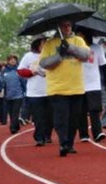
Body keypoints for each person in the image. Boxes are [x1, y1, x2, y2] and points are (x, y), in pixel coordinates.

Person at [39, 19, 90, 157]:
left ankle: (70, 143)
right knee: (61, 118)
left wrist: (70, 48)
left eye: (68, 25)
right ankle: (63, 142)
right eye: (63, 25)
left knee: (74, 119)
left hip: (76, 87)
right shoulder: (50, 44)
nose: (67, 27)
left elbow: (86, 56)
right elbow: (44, 63)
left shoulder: (78, 40)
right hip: (57, 88)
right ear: (59, 27)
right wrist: (59, 55)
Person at [17, 35, 53, 146]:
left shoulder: (51, 55)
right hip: (35, 92)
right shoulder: (29, 56)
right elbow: (20, 71)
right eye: (43, 43)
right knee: (38, 117)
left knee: (50, 116)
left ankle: (47, 135)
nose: (45, 45)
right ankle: (39, 137)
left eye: (46, 43)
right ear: (37, 44)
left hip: (51, 90)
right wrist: (32, 72)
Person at [76, 30, 106, 143]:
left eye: (81, 34)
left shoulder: (97, 48)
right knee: (81, 111)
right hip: (78, 83)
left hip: (93, 83)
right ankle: (83, 134)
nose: (80, 36)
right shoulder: (73, 48)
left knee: (95, 110)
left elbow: (103, 64)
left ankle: (97, 132)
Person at [0, 54, 25, 134]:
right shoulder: (4, 71)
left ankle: (13, 128)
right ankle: (16, 125)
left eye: (14, 59)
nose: (13, 61)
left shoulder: (19, 70)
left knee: (15, 112)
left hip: (18, 95)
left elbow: (23, 82)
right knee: (11, 113)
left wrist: (26, 91)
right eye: (11, 59)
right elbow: (1, 81)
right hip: (8, 96)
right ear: (8, 61)